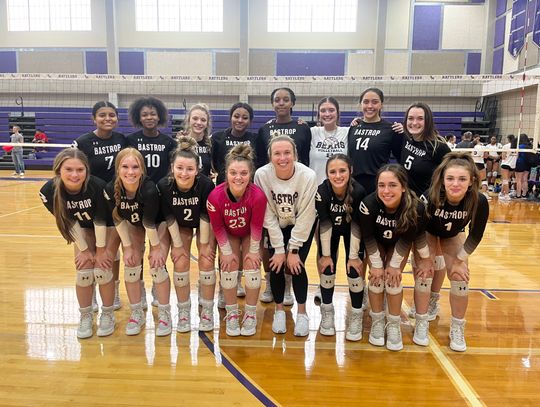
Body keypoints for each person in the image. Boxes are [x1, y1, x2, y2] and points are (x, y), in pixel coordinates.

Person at [39, 149, 115, 338]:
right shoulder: (48, 191)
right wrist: (83, 249)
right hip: (81, 228)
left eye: (80, 170)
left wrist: (100, 250)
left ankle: (107, 313)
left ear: (87, 171)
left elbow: (100, 219)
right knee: (83, 272)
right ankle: (86, 315)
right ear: (59, 171)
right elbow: (68, 222)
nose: (75, 175)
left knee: (102, 269)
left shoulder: (97, 186)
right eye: (69, 169)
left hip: (108, 226)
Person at [421, 152, 489, 351]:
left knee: (460, 278)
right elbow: (418, 231)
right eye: (450, 178)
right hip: (428, 232)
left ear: (471, 181)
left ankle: (457, 327)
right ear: (442, 180)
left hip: (454, 234)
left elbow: (475, 236)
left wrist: (460, 260)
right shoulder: (429, 196)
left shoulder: (479, 201)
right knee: (424, 273)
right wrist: (425, 258)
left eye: (462, 179)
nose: (455, 184)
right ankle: (423, 319)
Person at [359, 164, 430, 351]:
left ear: (404, 187)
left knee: (393, 278)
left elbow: (410, 239)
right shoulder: (368, 204)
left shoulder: (416, 207)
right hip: (377, 241)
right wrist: (375, 264)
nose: (386, 190)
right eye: (381, 185)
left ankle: (393, 325)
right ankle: (377, 320)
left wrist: (398, 264)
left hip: (399, 242)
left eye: (392, 185)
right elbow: (368, 236)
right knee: (375, 278)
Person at [254, 135, 318, 337]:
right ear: (270, 157)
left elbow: (308, 214)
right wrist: (280, 250)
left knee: (296, 266)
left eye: (287, 153)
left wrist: (294, 249)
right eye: (277, 153)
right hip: (276, 225)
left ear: (295, 155)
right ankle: (279, 311)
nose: (282, 158)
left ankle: (302, 313)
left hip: (301, 225)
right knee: (276, 266)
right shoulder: (262, 175)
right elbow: (267, 213)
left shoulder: (307, 175)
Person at [103, 148, 171, 336]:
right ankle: (136, 312)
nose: (130, 172)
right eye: (125, 166)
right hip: (132, 223)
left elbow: (149, 223)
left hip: (157, 223)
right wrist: (127, 247)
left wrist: (156, 248)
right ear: (118, 169)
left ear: (142, 170)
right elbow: (118, 219)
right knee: (131, 264)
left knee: (157, 265)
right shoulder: (110, 189)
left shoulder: (148, 189)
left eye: (135, 167)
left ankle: (165, 312)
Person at [157, 136, 217, 333]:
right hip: (178, 224)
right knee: (180, 261)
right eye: (179, 168)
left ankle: (206, 308)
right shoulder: (164, 185)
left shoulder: (206, 185)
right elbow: (168, 216)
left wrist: (206, 245)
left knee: (207, 261)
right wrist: (178, 245)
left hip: (202, 223)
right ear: (172, 167)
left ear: (197, 170)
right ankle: (184, 310)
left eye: (190, 169)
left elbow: (206, 216)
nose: (184, 173)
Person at [257, 87, 311, 305]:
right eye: (277, 100)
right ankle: (272, 282)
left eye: (285, 99)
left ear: (292, 102)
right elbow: (262, 159)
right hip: (273, 194)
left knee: (296, 256)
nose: (281, 103)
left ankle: (290, 289)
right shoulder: (264, 130)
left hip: (297, 196)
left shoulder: (303, 127)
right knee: (270, 250)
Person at [73, 101, 128, 311]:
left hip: (114, 201)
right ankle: (91, 291)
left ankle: (111, 289)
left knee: (112, 252)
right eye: (102, 115)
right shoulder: (83, 142)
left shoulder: (121, 139)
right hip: (89, 202)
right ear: (93, 118)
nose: (107, 119)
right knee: (88, 248)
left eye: (112, 115)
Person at [207, 144, 267, 336]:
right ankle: (232, 312)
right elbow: (217, 226)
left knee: (252, 267)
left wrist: (253, 250)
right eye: (233, 172)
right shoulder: (215, 196)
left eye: (243, 173)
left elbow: (257, 225)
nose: (238, 177)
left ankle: (250, 313)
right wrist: (225, 252)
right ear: (226, 173)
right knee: (229, 267)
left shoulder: (257, 196)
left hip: (250, 232)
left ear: (251, 174)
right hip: (229, 232)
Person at [315, 154, 366, 340]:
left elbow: (356, 225)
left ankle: (356, 315)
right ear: (327, 173)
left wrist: (353, 256)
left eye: (342, 170)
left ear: (350, 171)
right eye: (333, 172)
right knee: (327, 269)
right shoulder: (323, 191)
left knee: (354, 271)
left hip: (353, 230)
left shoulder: (359, 191)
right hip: (331, 231)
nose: (338, 176)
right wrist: (326, 255)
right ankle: (327, 312)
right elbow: (325, 222)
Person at [347, 88, 403, 194]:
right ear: (360, 104)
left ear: (381, 105)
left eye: (375, 102)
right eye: (366, 102)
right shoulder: (354, 127)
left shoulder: (390, 129)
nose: (370, 106)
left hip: (377, 186)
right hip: (353, 186)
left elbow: (401, 160)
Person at [400, 102, 451, 197]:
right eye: (410, 118)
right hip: (407, 200)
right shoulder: (405, 138)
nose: (414, 123)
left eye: (420, 118)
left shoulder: (439, 147)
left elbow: (450, 177)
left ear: (428, 121)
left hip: (426, 203)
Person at [127, 96, 177, 184]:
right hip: (138, 189)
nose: (149, 117)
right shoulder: (130, 140)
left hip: (161, 189)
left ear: (159, 117)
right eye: (144, 115)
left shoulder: (169, 142)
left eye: (153, 114)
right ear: (139, 118)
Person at [212, 102, 261, 184]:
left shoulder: (256, 139)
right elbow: (215, 164)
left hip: (247, 185)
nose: (240, 120)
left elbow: (259, 164)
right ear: (231, 117)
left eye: (245, 118)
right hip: (223, 185)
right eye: (236, 116)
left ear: (250, 121)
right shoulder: (218, 137)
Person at [309, 97, 349, 184]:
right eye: (323, 111)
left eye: (331, 110)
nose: (327, 114)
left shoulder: (347, 132)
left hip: (340, 188)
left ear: (338, 113)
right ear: (319, 114)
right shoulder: (311, 132)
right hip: (316, 189)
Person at [178, 103, 213, 177]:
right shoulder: (179, 144)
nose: (199, 122)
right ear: (188, 120)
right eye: (195, 118)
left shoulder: (210, 145)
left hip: (204, 187)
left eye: (203, 120)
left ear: (207, 123)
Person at [498, 135, 517, 201]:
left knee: (505, 180)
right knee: (507, 180)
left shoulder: (506, 146)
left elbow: (503, 157)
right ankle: (501, 193)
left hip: (505, 164)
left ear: (508, 139)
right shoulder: (517, 146)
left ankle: (506, 195)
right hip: (513, 165)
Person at [515, 134, 534, 199]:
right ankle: (524, 194)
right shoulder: (530, 146)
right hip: (528, 164)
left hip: (520, 162)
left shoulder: (519, 146)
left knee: (519, 180)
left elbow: (516, 155)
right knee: (525, 179)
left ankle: (518, 195)